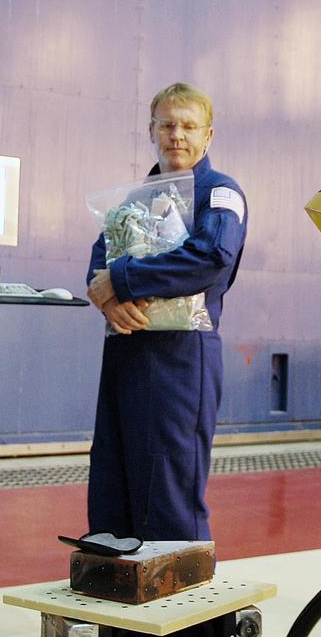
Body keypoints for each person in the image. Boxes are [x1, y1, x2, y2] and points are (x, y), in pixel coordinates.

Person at [85, 82, 247, 540]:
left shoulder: (220, 194)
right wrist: (107, 299)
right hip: (126, 352)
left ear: (208, 136)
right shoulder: (134, 199)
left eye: (189, 126)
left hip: (180, 358)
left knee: (168, 489)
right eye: (167, 125)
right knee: (112, 480)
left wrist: (123, 280)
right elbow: (100, 259)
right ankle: (117, 599)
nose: (177, 135)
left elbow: (212, 256)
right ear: (151, 130)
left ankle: (184, 606)